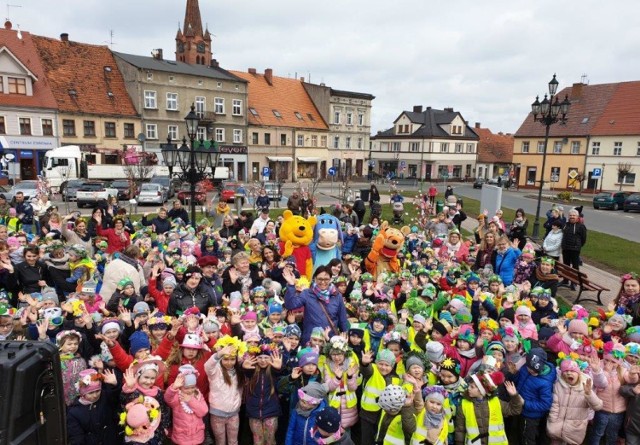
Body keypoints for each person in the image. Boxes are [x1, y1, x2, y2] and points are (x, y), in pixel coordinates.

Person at [283, 265, 349, 345]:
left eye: (326, 279)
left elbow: (343, 319)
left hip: (329, 340)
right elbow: (290, 305)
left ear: (331, 279)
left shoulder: (337, 296)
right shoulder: (307, 293)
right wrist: (291, 285)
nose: (323, 282)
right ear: (314, 279)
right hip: (310, 341)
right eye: (320, 279)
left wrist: (344, 337)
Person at [560, 209, 587, 290]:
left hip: (575, 249)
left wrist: (578, 245)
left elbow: (583, 239)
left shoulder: (581, 226)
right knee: (566, 265)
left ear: (577, 217)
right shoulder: (566, 224)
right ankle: (565, 280)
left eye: (573, 215)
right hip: (565, 248)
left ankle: (574, 282)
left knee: (575, 267)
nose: (572, 217)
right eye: (570, 215)